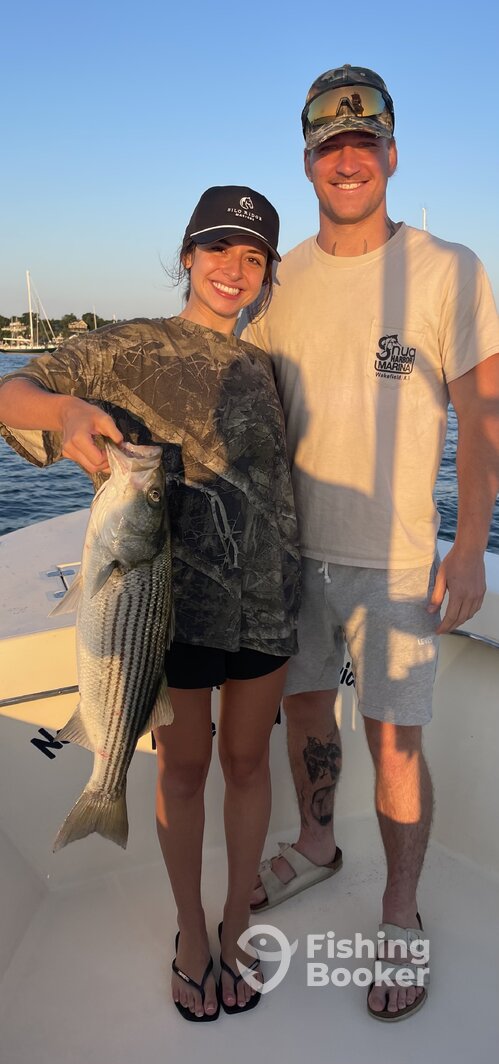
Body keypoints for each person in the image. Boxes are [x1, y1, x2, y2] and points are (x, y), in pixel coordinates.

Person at [0, 185, 301, 1022]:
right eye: (218, 249)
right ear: (186, 255)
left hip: (269, 601)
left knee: (249, 765)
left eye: (252, 257)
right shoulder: (128, 346)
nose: (233, 269)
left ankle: (236, 921)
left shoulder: (266, 364)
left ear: (268, 273)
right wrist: (65, 410)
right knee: (184, 768)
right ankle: (190, 933)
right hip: (168, 607)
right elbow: (12, 393)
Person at [242, 65, 499, 1021]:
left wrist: (467, 546)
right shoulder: (277, 283)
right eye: (329, 147)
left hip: (394, 562)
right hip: (289, 558)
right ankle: (317, 845)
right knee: (305, 710)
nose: (346, 160)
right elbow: (243, 415)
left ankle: (399, 911)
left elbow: (483, 420)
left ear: (392, 154)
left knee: (395, 742)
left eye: (363, 143)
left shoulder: (448, 268)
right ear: (306, 160)